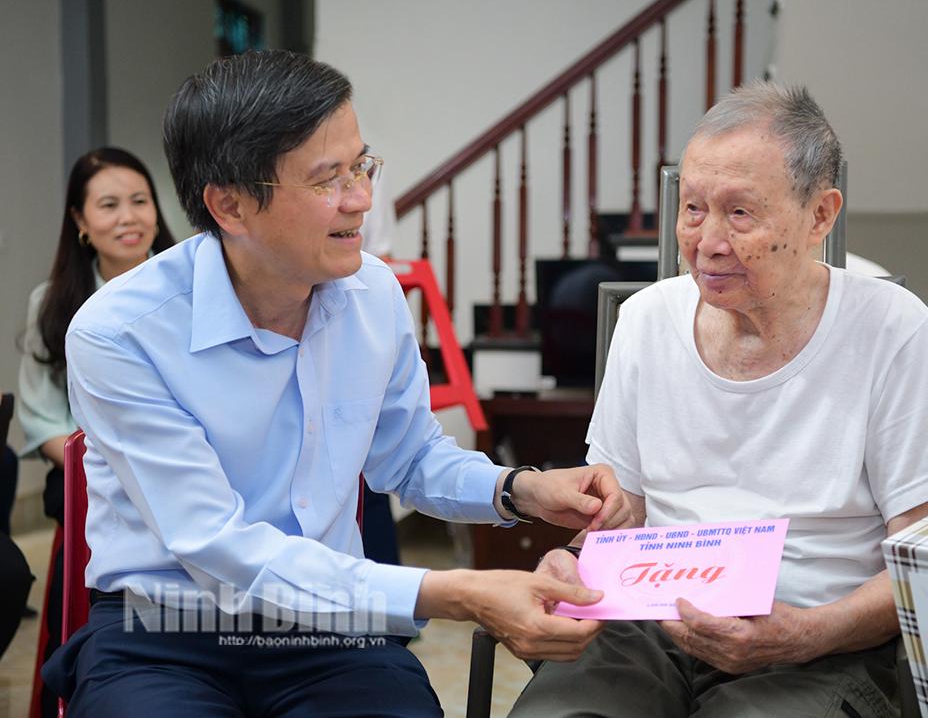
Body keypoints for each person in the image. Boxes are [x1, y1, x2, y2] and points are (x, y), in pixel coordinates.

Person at [42, 50, 631, 717]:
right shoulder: (120, 332)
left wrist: (518, 489)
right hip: (168, 630)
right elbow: (220, 549)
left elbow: (406, 455)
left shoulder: (372, 294)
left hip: (328, 626)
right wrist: (457, 592)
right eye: (327, 180)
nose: (361, 199)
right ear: (230, 204)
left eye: (361, 165)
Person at [509, 82, 928, 718]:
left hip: (822, 641)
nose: (707, 240)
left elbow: (926, 563)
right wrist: (567, 562)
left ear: (821, 215)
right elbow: (617, 518)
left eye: (740, 213)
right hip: (649, 626)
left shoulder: (894, 332)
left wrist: (807, 633)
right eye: (691, 209)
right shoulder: (647, 320)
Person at [16, 146, 176, 716]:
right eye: (108, 205)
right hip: (89, 473)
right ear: (81, 222)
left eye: (139, 201)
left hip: (184, 468)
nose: (128, 217)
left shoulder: (195, 286)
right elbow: (41, 416)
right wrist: (106, 462)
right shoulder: (53, 303)